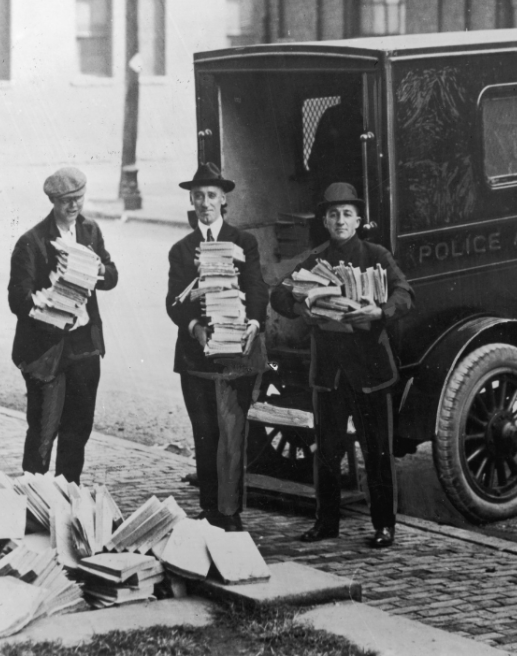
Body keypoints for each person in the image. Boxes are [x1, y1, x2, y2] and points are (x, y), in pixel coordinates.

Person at [270, 182, 414, 548]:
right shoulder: (315, 260)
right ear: (324, 220)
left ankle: (384, 526)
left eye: (347, 214)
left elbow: (404, 293)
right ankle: (326, 523)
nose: (340, 220)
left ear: (358, 219)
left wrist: (381, 311)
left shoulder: (377, 254)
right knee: (327, 452)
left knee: (377, 452)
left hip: (370, 371)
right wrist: (302, 307)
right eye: (333, 214)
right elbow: (279, 292)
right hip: (329, 374)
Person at [165, 162, 268, 532]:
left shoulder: (244, 242)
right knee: (205, 433)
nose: (205, 203)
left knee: (232, 434)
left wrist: (254, 322)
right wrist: (193, 326)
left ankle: (231, 512)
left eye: (211, 196)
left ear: (223, 200)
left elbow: (257, 287)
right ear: (191, 202)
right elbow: (172, 303)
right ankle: (209, 510)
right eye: (198, 197)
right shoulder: (181, 250)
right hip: (196, 356)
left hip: (236, 352)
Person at [8, 167, 118, 483]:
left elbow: (111, 275)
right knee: (44, 428)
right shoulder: (32, 241)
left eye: (78, 199)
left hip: (84, 342)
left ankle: (68, 493)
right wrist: (37, 301)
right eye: (66, 201)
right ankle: (35, 498)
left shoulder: (90, 231)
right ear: (53, 201)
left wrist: (99, 269)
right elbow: (17, 297)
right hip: (48, 346)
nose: (73, 206)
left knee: (78, 427)